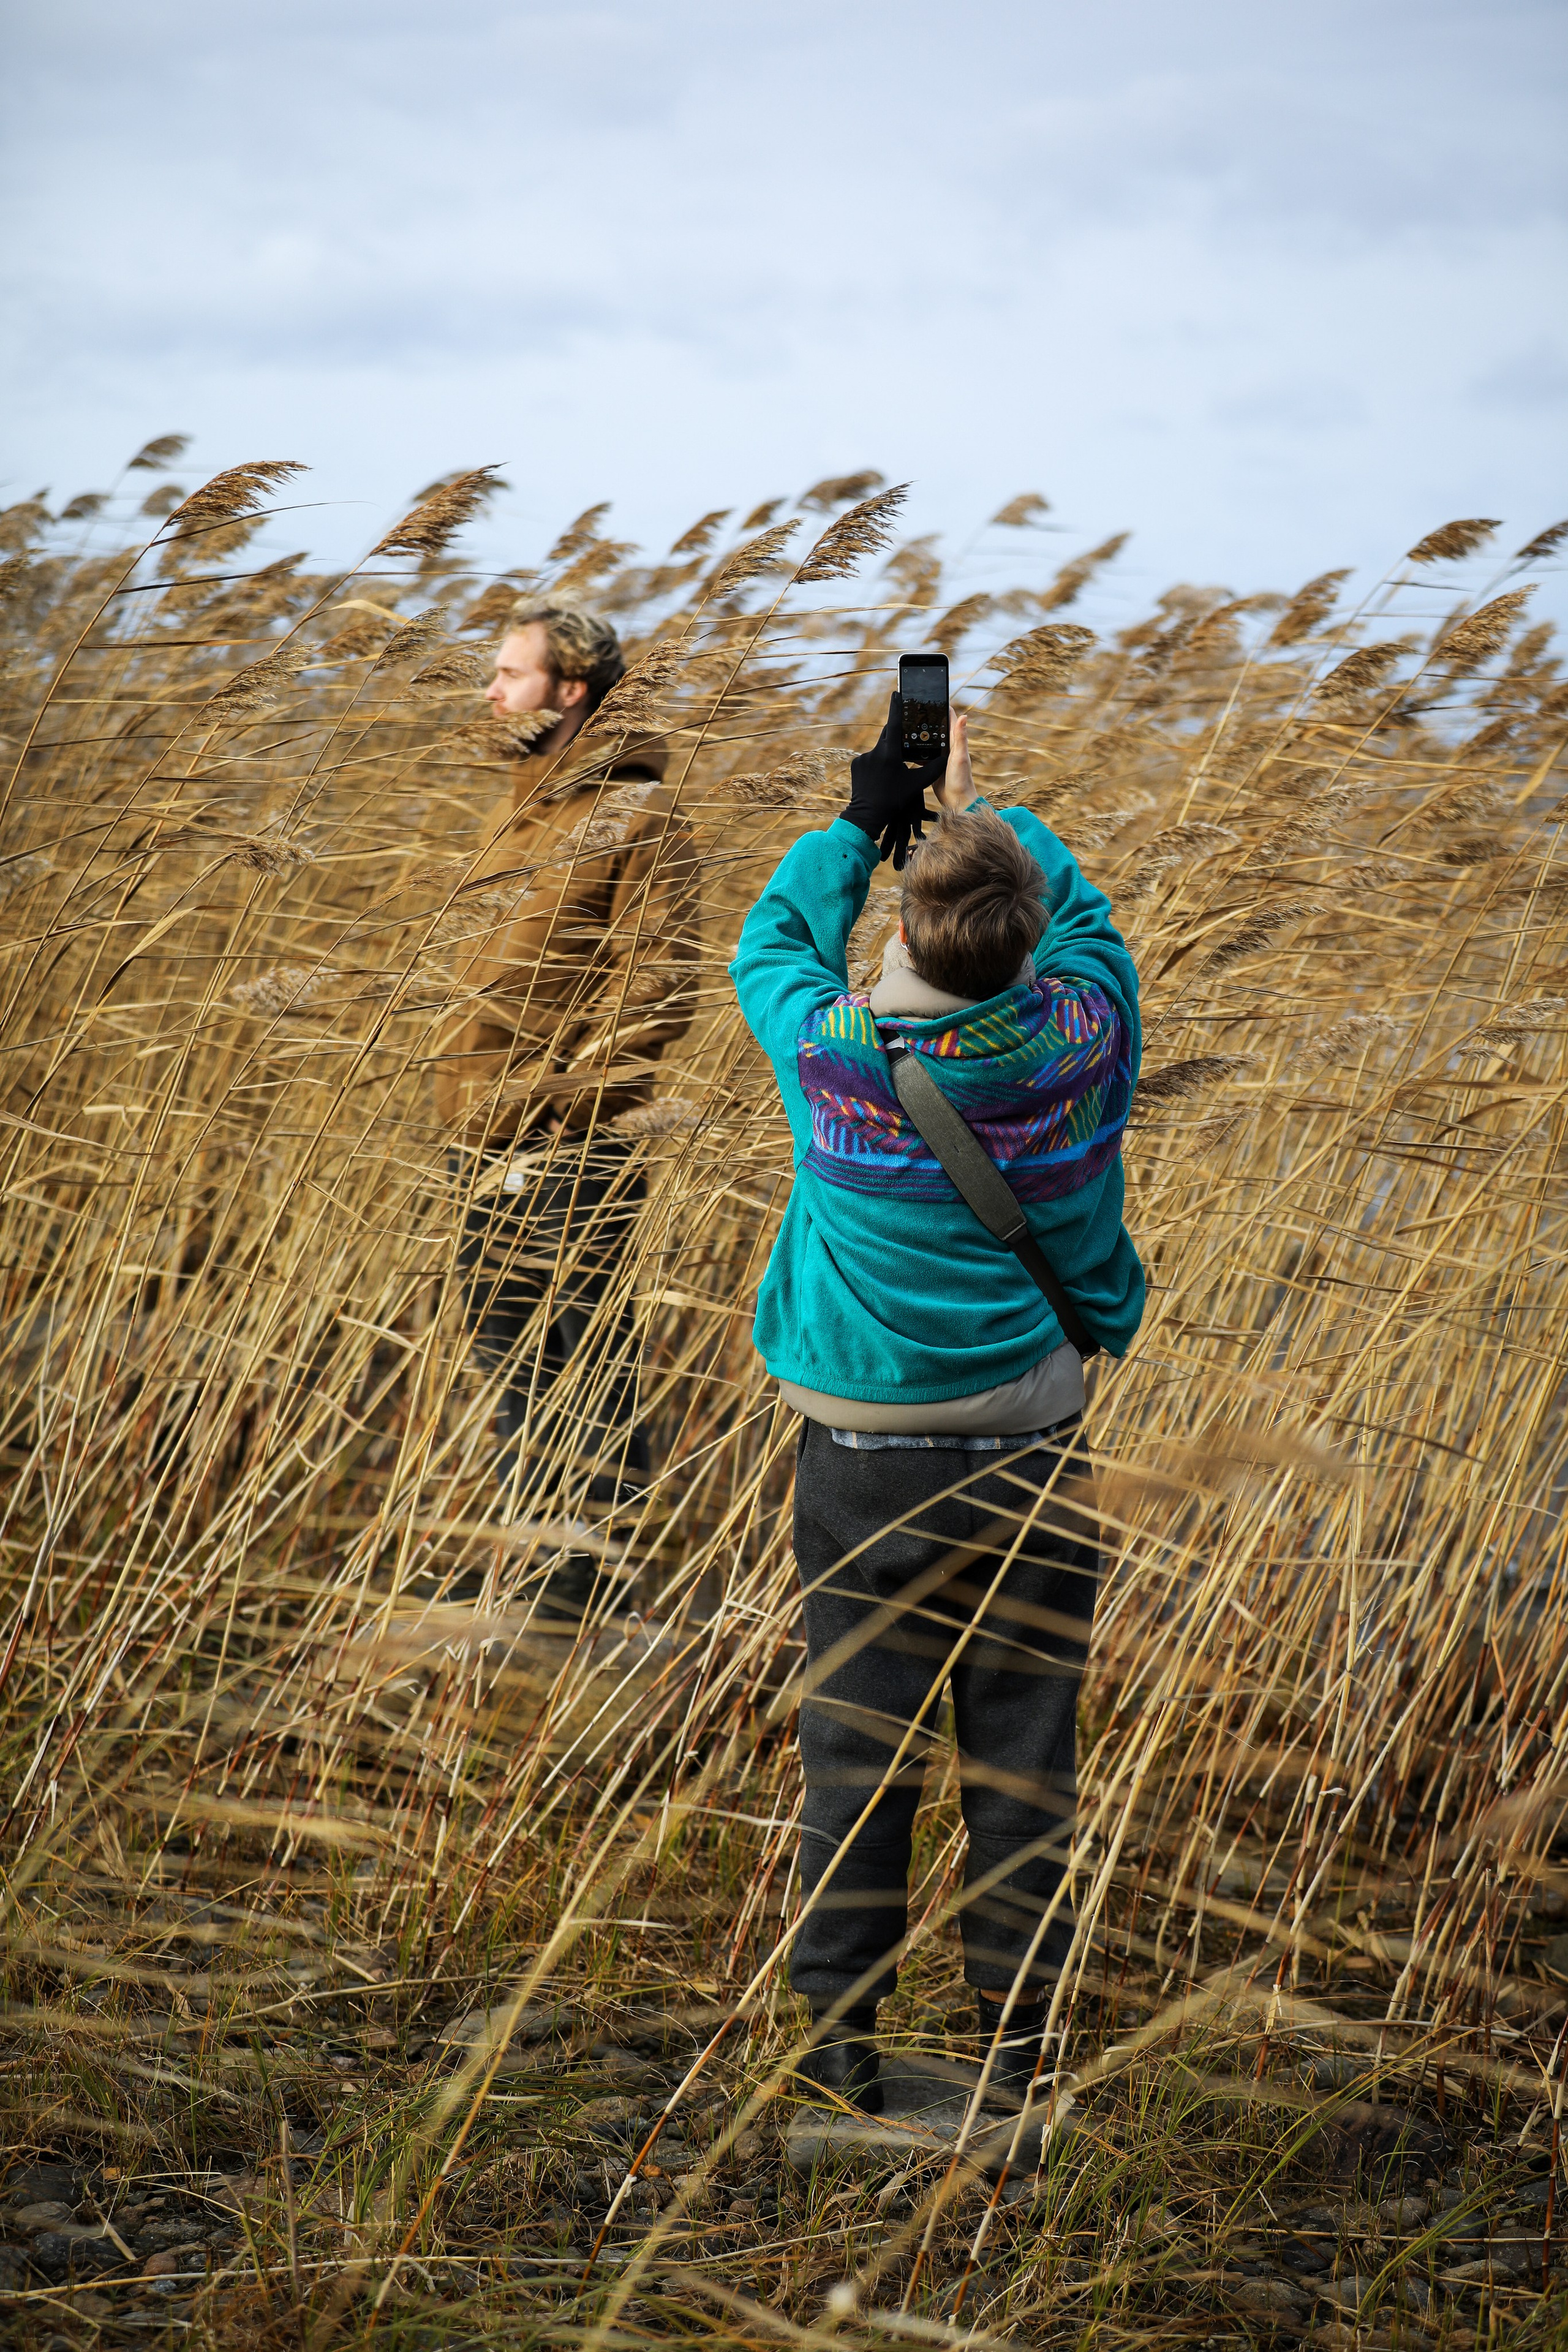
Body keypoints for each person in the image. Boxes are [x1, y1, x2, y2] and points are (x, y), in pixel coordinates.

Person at [729, 695, 1142, 2111]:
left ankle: (841, 2044)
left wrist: (869, 820)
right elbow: (1089, 932)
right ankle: (1016, 2049)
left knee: (858, 1745)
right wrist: (989, 819)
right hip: (1026, 1448)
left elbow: (769, 943)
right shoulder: (1078, 1042)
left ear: (899, 935)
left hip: (857, 1461)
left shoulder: (833, 1055)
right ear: (1023, 937)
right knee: (1022, 1750)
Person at [435, 598, 699, 1611]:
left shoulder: (636, 815)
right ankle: (541, 1583)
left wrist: (550, 1109)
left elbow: (659, 985)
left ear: (572, 689)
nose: (491, 691)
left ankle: (586, 1602)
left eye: (511, 673)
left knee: (583, 1374)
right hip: (477, 1142)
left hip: (565, 1150)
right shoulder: (521, 810)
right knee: (512, 1378)